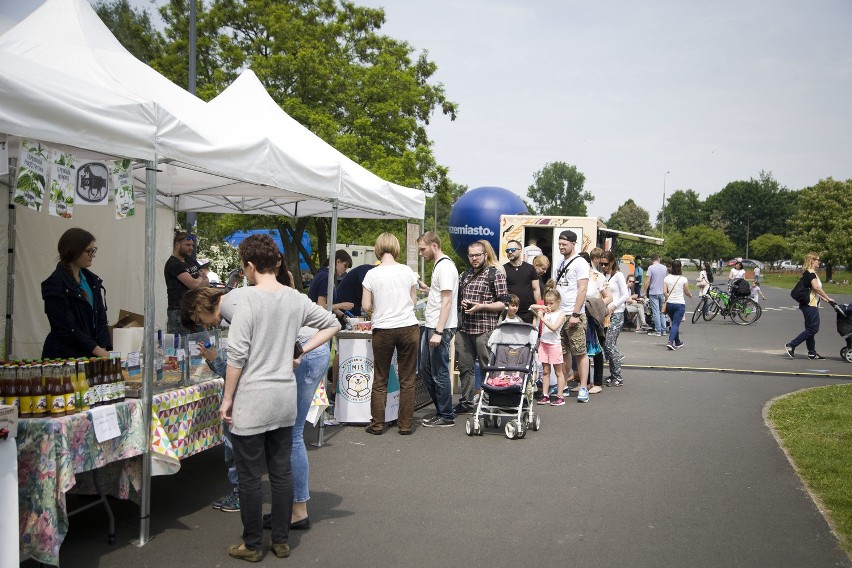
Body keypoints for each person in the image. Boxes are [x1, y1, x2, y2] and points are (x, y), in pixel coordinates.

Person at [220, 234, 340, 562]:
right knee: (280, 470)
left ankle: (253, 543)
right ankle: (282, 540)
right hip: (284, 396)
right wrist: (300, 348)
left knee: (249, 475)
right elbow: (332, 323)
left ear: (249, 265)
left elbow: (236, 355)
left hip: (253, 398)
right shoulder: (294, 297)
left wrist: (227, 398)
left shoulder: (245, 299)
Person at [360, 233, 419, 435]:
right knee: (407, 379)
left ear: (377, 248)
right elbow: (412, 301)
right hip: (408, 327)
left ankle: (377, 424)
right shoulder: (407, 271)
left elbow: (366, 305)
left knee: (380, 378)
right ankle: (405, 425)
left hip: (383, 328)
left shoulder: (371, 274)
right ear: (396, 248)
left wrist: (377, 308)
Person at [455, 240, 509, 413]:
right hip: (464, 329)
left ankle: (490, 401)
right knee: (465, 368)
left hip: (485, 329)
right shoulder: (463, 275)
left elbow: (504, 304)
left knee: (488, 367)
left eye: (478, 255)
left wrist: (481, 306)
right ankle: (466, 402)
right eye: (471, 255)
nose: (474, 258)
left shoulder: (495, 274)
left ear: (485, 255)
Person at [41, 228, 112, 359]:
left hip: (91, 355)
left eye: (94, 250)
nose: (93, 255)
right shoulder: (55, 284)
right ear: (73, 251)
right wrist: (98, 351)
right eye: (89, 251)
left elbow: (101, 319)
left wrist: (103, 347)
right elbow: (67, 329)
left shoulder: (92, 281)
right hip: (66, 358)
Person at [416, 231, 458, 428]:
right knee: (425, 369)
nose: (421, 253)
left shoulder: (445, 267)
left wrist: (439, 332)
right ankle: (442, 410)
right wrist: (428, 289)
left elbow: (447, 301)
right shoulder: (440, 266)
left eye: (423, 249)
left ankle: (446, 414)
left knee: (438, 372)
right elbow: (442, 295)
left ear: (434, 245)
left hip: (439, 327)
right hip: (432, 325)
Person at [553, 231, 591, 403]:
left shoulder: (581, 262)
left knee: (580, 352)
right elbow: (556, 289)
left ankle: (583, 387)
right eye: (560, 244)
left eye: (564, 244)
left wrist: (576, 313)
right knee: (563, 352)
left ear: (573, 244)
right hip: (560, 314)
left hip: (574, 314)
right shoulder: (560, 263)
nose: (561, 247)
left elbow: (582, 289)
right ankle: (564, 385)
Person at [786, 253, 834, 360]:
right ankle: (791, 345)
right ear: (812, 260)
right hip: (809, 305)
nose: (819, 262)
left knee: (810, 329)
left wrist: (826, 300)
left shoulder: (811, 273)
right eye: (818, 260)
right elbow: (816, 288)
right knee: (813, 328)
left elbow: (814, 290)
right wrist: (828, 297)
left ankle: (812, 353)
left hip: (810, 304)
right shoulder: (810, 273)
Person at [165, 231, 209, 334]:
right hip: (178, 312)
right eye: (187, 245)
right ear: (177, 245)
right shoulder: (173, 264)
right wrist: (199, 278)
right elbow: (193, 284)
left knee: (202, 342)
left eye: (192, 245)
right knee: (181, 347)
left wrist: (198, 280)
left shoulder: (190, 260)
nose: (191, 248)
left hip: (194, 310)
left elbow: (206, 283)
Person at [531, 289, 567, 405]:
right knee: (546, 371)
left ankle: (560, 396)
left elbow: (554, 327)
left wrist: (542, 318)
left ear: (558, 302)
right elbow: (531, 307)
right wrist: (543, 308)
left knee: (558, 372)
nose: (549, 305)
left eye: (551, 303)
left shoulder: (561, 314)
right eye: (547, 303)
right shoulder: (546, 311)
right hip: (544, 343)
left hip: (554, 345)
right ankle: (545, 394)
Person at [601, 251, 628, 387]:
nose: (603, 266)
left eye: (605, 264)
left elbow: (625, 295)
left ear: (612, 262)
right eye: (601, 264)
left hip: (617, 313)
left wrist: (613, 305)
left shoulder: (618, 275)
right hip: (606, 315)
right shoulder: (604, 276)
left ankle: (618, 376)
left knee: (610, 345)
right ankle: (613, 375)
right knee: (608, 344)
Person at [503, 239, 541, 324]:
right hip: (510, 313)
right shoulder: (503, 269)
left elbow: (536, 289)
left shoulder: (530, 268)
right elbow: (502, 291)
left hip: (527, 312)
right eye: (507, 250)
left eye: (512, 250)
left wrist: (539, 308)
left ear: (520, 251)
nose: (509, 252)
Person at [307, 249, 354, 317]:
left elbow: (328, 305)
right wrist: (341, 305)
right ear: (338, 261)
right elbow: (320, 306)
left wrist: (343, 316)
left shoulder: (324, 274)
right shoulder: (326, 277)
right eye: (345, 266)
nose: (345, 270)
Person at [663, 260, 691, 350]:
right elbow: (686, 291)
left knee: (674, 322)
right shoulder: (683, 279)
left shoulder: (667, 278)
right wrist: (690, 295)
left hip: (670, 304)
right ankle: (670, 342)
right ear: (680, 267)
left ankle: (677, 341)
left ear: (671, 267)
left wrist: (668, 297)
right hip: (680, 304)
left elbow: (664, 292)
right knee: (676, 323)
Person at [643, 254, 668, 337]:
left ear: (652, 260)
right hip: (662, 292)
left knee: (656, 312)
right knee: (662, 312)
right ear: (659, 259)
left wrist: (645, 291)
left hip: (653, 292)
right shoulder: (664, 268)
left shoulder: (651, 268)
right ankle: (664, 330)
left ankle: (658, 330)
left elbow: (647, 281)